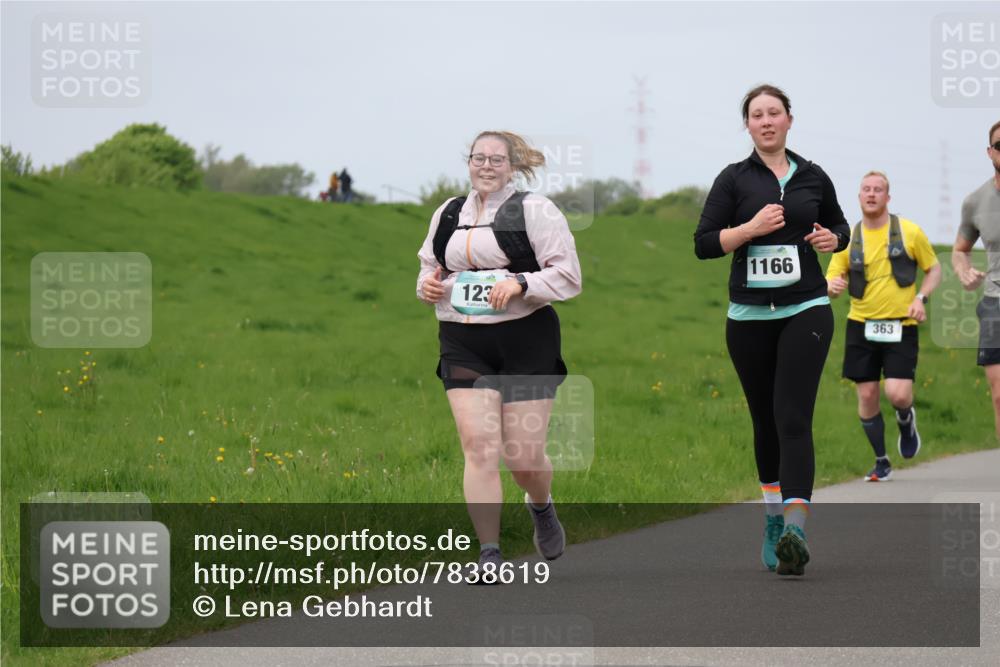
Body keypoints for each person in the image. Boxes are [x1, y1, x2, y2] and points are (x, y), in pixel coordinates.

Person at [694, 84, 850, 576]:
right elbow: (703, 244)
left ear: (788, 120)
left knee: (792, 417)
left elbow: (841, 228)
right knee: (764, 419)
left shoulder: (813, 176)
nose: (766, 121)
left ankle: (795, 529)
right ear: (748, 126)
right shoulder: (733, 179)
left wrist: (832, 238)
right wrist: (749, 231)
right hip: (749, 318)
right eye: (756, 115)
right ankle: (771, 519)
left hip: (806, 307)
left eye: (774, 113)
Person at [416, 130, 582, 581]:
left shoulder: (535, 210)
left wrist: (523, 284)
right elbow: (430, 270)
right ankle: (489, 554)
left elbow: (568, 276)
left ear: (513, 166)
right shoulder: (448, 213)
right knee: (479, 448)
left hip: (526, 339)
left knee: (523, 458)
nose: (486, 166)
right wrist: (428, 286)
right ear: (467, 162)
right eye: (478, 158)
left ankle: (541, 507)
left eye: (496, 159)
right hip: (463, 339)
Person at [827, 171, 941, 481]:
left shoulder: (909, 232)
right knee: (866, 396)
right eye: (866, 189)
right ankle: (881, 461)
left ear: (888, 198)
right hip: (861, 324)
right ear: (859, 196)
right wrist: (833, 286)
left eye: (878, 190)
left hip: (901, 325)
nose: (872, 194)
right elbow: (833, 277)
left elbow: (934, 270)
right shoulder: (849, 238)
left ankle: (906, 420)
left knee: (898, 394)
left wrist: (921, 298)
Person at [953, 120, 1000, 439]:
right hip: (996, 302)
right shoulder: (975, 201)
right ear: (989, 152)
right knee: (999, 395)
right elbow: (960, 249)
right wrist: (963, 270)